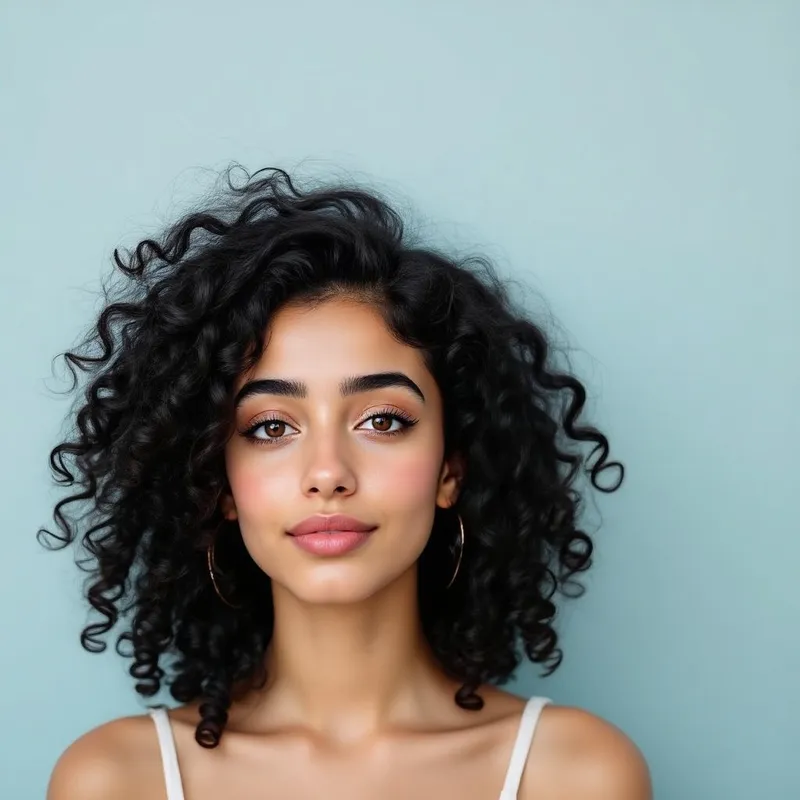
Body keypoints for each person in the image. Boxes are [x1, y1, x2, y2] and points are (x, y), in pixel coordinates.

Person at [42, 166, 652, 799]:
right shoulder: (115, 781)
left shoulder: (573, 774)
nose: (328, 473)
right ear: (218, 482)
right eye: (271, 427)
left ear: (451, 469)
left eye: (383, 420)